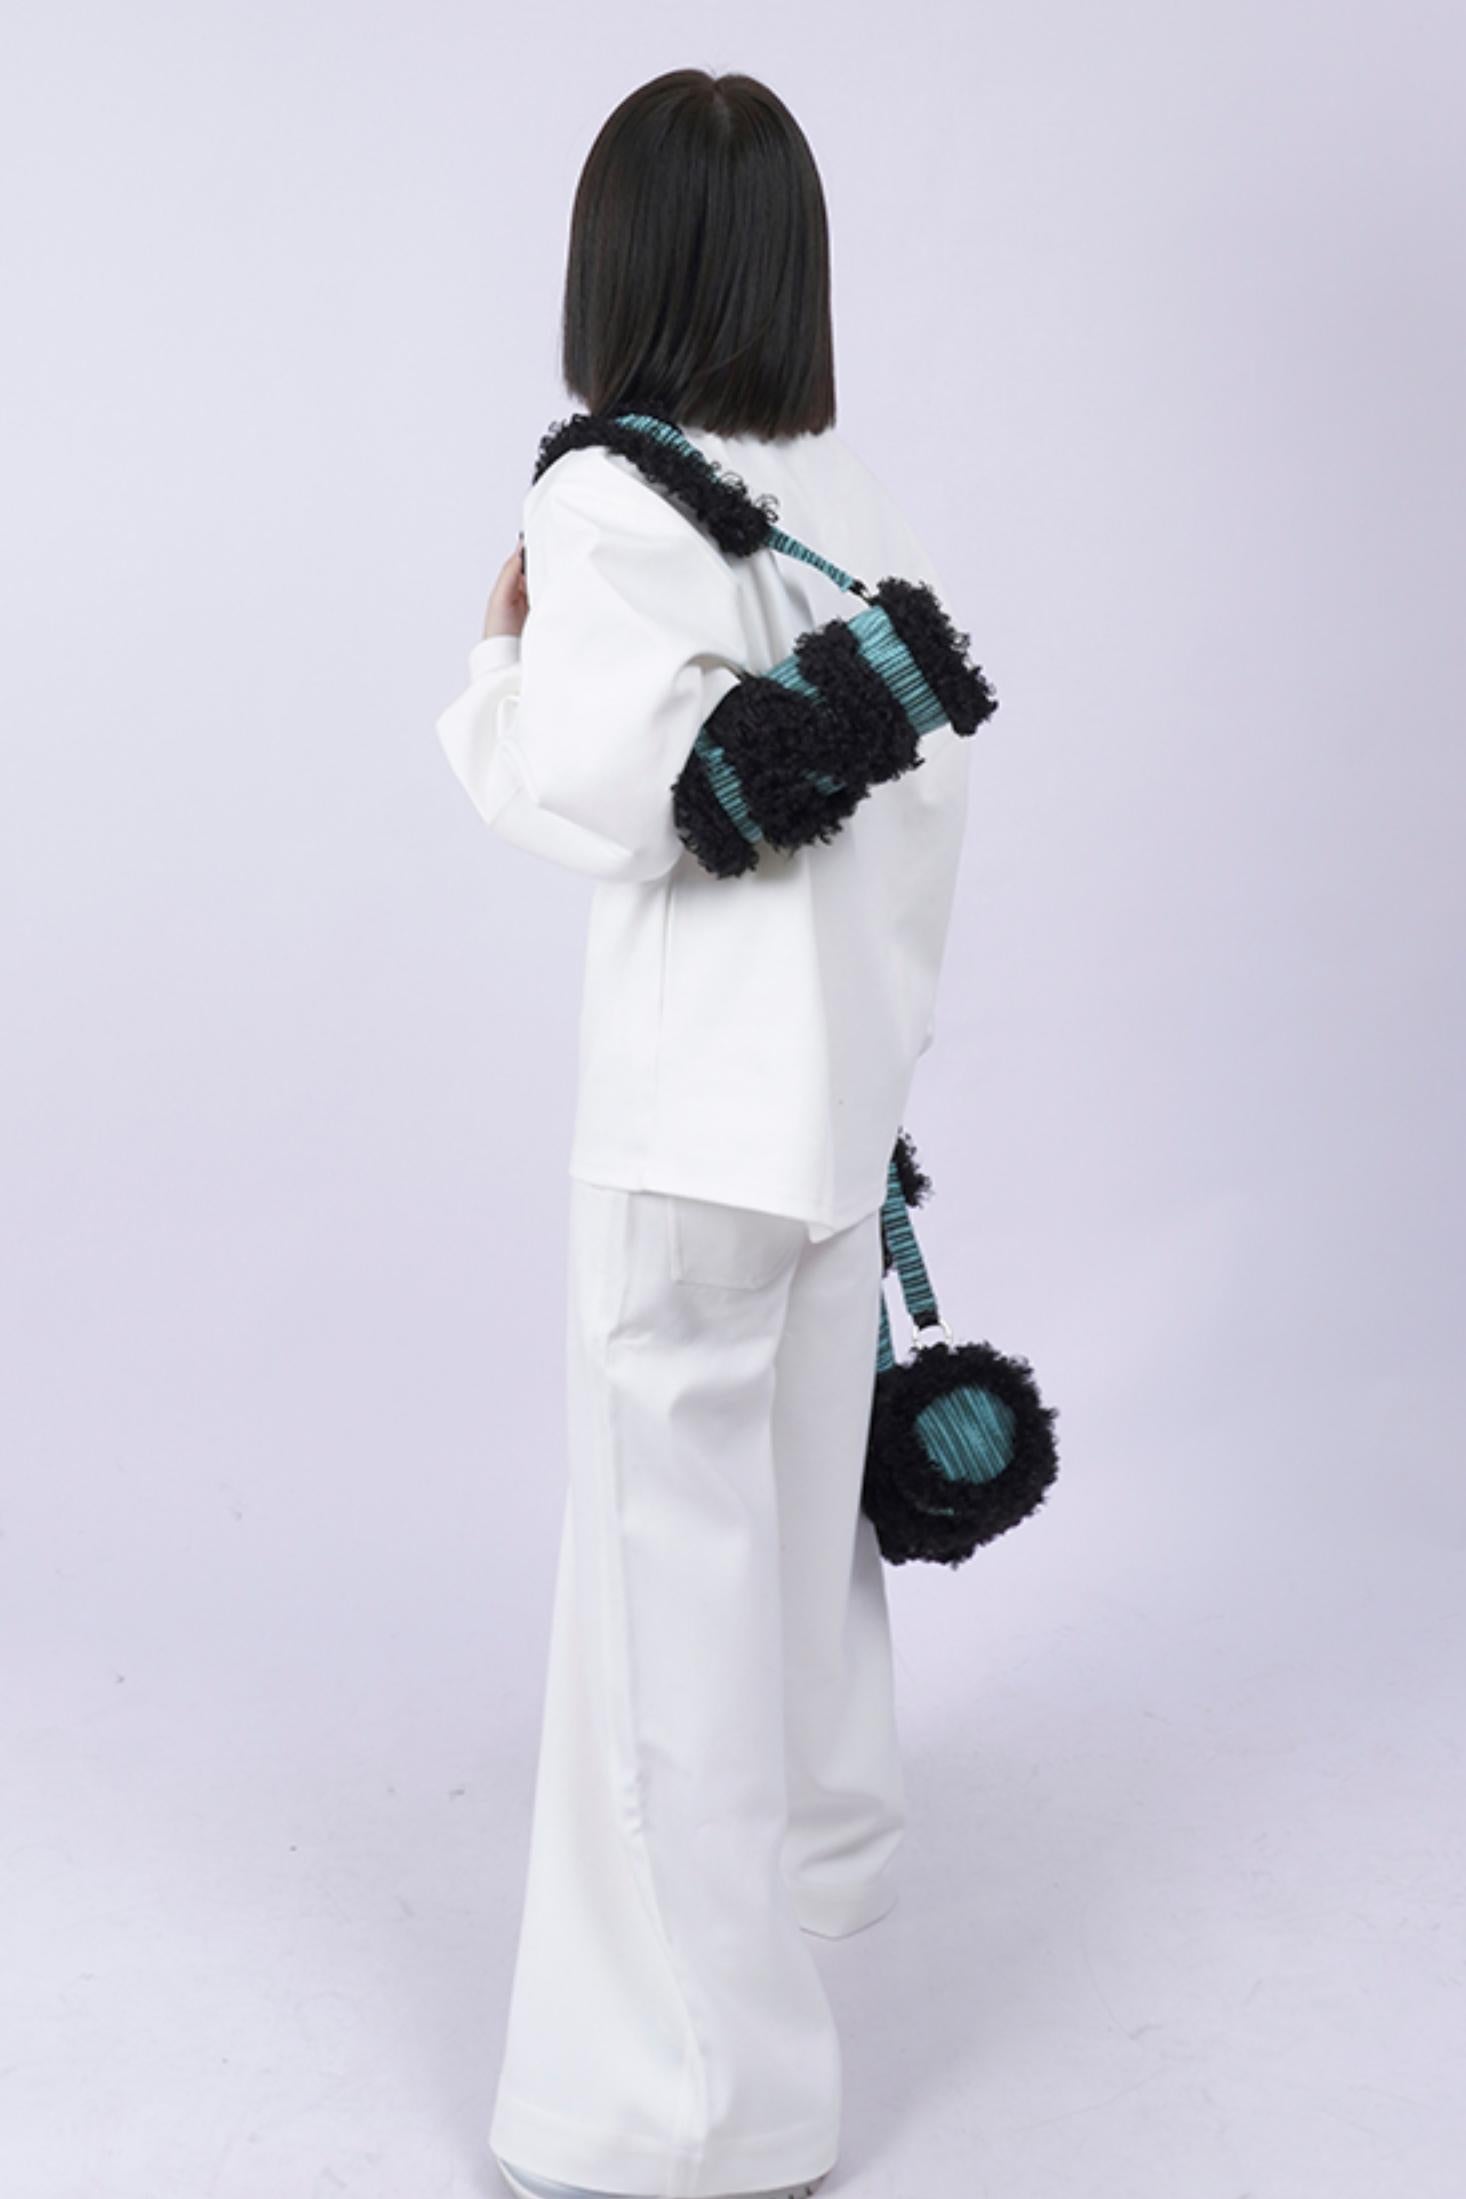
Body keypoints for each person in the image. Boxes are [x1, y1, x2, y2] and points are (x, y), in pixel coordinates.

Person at [434, 66, 974, 2199]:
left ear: (618, 264)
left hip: (685, 1137)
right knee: (782, 1562)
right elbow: (886, 827)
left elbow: (637, 789)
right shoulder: (854, 513)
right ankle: (817, 1885)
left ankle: (678, 2114)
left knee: (659, 1610)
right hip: (829, 1132)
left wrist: (495, 667)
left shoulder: (607, 499)